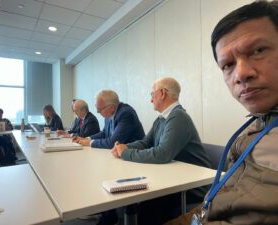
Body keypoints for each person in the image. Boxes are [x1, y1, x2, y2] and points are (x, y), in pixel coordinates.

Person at [165, 1, 278, 225]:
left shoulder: (177, 117)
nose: (241, 74)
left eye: (258, 50)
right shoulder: (258, 124)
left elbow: (160, 152)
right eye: (227, 65)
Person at [111, 77, 211, 225]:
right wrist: (124, 147)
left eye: (152, 94)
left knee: (145, 207)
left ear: (163, 93)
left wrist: (125, 154)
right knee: (141, 204)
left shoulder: (178, 117)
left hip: (191, 188)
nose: (151, 99)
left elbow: (162, 154)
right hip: (173, 179)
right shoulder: (161, 119)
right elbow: (146, 142)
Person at [73, 89, 145, 149]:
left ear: (111, 107)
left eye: (99, 109)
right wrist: (87, 139)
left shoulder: (126, 114)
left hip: (135, 156)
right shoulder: (109, 114)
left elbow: (113, 143)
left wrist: (90, 143)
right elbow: (104, 133)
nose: (97, 112)